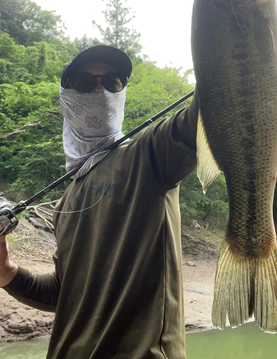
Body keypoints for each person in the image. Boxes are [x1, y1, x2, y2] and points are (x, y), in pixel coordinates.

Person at [0, 45, 198, 359]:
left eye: (113, 82)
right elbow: (64, 294)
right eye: (85, 83)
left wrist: (226, 43)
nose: (102, 90)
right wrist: (7, 271)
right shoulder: (66, 202)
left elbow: (203, 117)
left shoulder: (151, 155)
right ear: (66, 98)